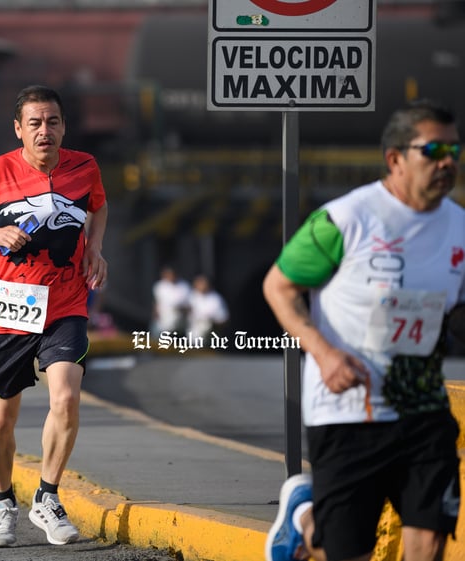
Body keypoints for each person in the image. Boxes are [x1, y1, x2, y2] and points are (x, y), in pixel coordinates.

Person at [262, 99, 463, 561]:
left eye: (454, 149)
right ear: (395, 158)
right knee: (344, 549)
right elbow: (278, 286)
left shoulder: (460, 227)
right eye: (433, 149)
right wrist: (325, 355)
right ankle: (305, 520)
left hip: (423, 410)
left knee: (428, 543)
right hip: (349, 409)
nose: (447, 160)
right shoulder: (347, 219)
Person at [0, 84, 108, 548]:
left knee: (66, 397)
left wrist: (95, 248)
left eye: (52, 122)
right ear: (18, 129)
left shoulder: (84, 166)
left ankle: (47, 497)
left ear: (63, 127)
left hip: (66, 304)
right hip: (11, 308)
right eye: (35, 123)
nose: (44, 131)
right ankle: (3, 502)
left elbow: (98, 205)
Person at [186, 274, 228, 339]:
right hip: (192, 331)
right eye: (198, 283)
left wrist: (210, 323)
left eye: (202, 283)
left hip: (210, 334)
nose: (200, 286)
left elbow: (223, 319)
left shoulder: (216, 299)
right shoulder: (191, 296)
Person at [151, 265, 190, 334]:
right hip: (162, 323)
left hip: (179, 324)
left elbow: (188, 306)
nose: (170, 276)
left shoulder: (184, 286)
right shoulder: (160, 286)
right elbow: (157, 303)